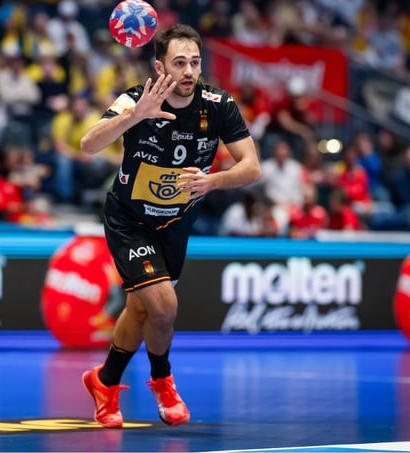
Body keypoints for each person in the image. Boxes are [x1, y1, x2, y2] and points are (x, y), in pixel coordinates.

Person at [79, 24, 261, 428]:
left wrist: (213, 181)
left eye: (195, 62)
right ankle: (162, 379)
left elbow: (252, 168)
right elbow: (88, 145)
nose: (189, 71)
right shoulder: (136, 99)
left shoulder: (218, 104)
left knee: (141, 309)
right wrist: (135, 117)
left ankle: (104, 382)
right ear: (160, 67)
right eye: (179, 63)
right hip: (130, 219)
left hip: (177, 223)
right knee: (164, 306)